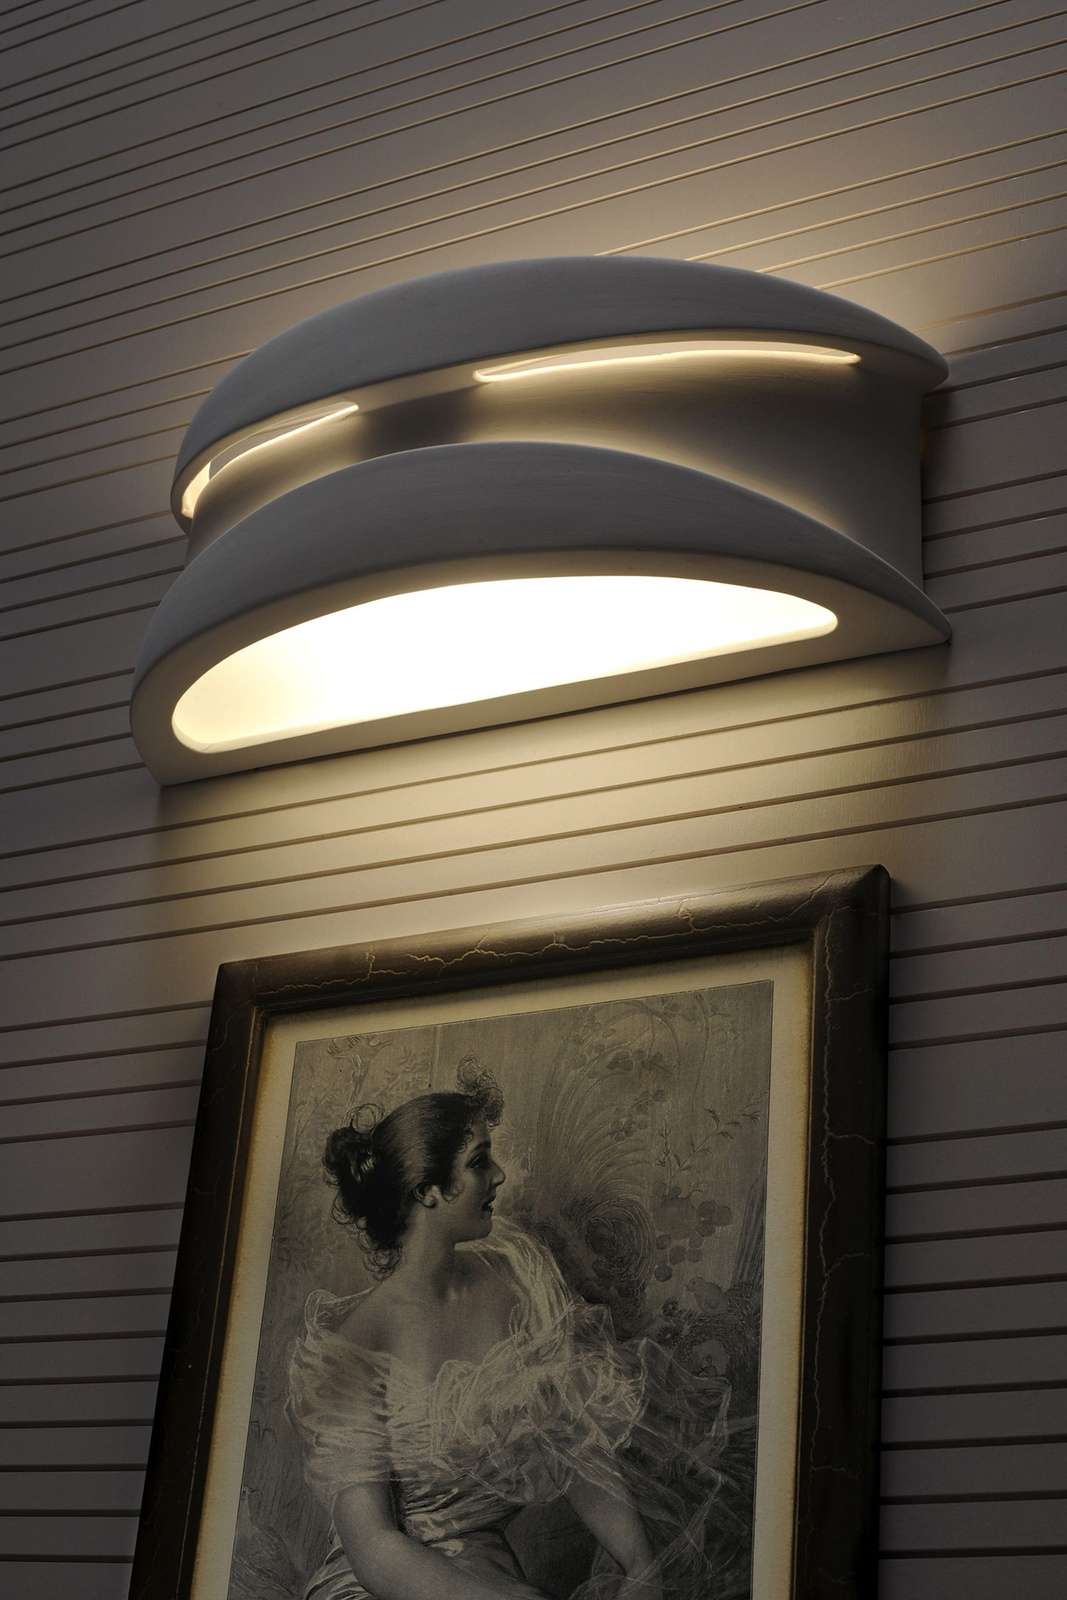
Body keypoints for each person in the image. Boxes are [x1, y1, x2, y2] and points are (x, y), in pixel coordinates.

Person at [288, 1070, 733, 1600]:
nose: (498, 1175)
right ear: (427, 1190)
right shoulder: (354, 1347)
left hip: (485, 1565)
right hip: (392, 1584)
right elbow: (374, 1549)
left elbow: (571, 1442)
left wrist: (639, 1563)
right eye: (479, 1162)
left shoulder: (517, 1275)